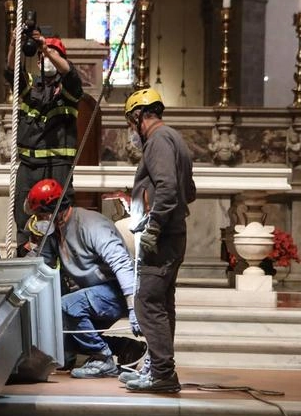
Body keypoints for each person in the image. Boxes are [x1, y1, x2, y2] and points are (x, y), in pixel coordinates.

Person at [24, 178, 140, 379]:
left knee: (67, 305)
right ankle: (124, 347)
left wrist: (133, 304)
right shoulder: (55, 232)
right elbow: (41, 262)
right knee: (55, 338)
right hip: (91, 296)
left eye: (41, 215)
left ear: (55, 210)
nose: (39, 220)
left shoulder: (91, 224)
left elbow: (121, 263)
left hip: (114, 292)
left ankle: (103, 358)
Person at [121, 88, 196, 393]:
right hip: (172, 234)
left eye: (130, 123)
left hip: (161, 238)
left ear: (139, 116)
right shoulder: (175, 140)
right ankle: (157, 366)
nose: (131, 131)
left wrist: (154, 225)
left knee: (147, 302)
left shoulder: (158, 142)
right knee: (162, 304)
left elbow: (167, 187)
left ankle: (162, 372)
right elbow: (188, 191)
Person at [5, 28, 83, 252]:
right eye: (41, 57)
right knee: (23, 214)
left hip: (57, 166)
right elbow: (12, 72)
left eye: (50, 56)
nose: (46, 60)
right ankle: (24, 255)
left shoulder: (69, 91)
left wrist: (47, 49)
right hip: (28, 167)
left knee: (59, 216)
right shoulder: (30, 87)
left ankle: (61, 260)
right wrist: (13, 46)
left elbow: (69, 74)